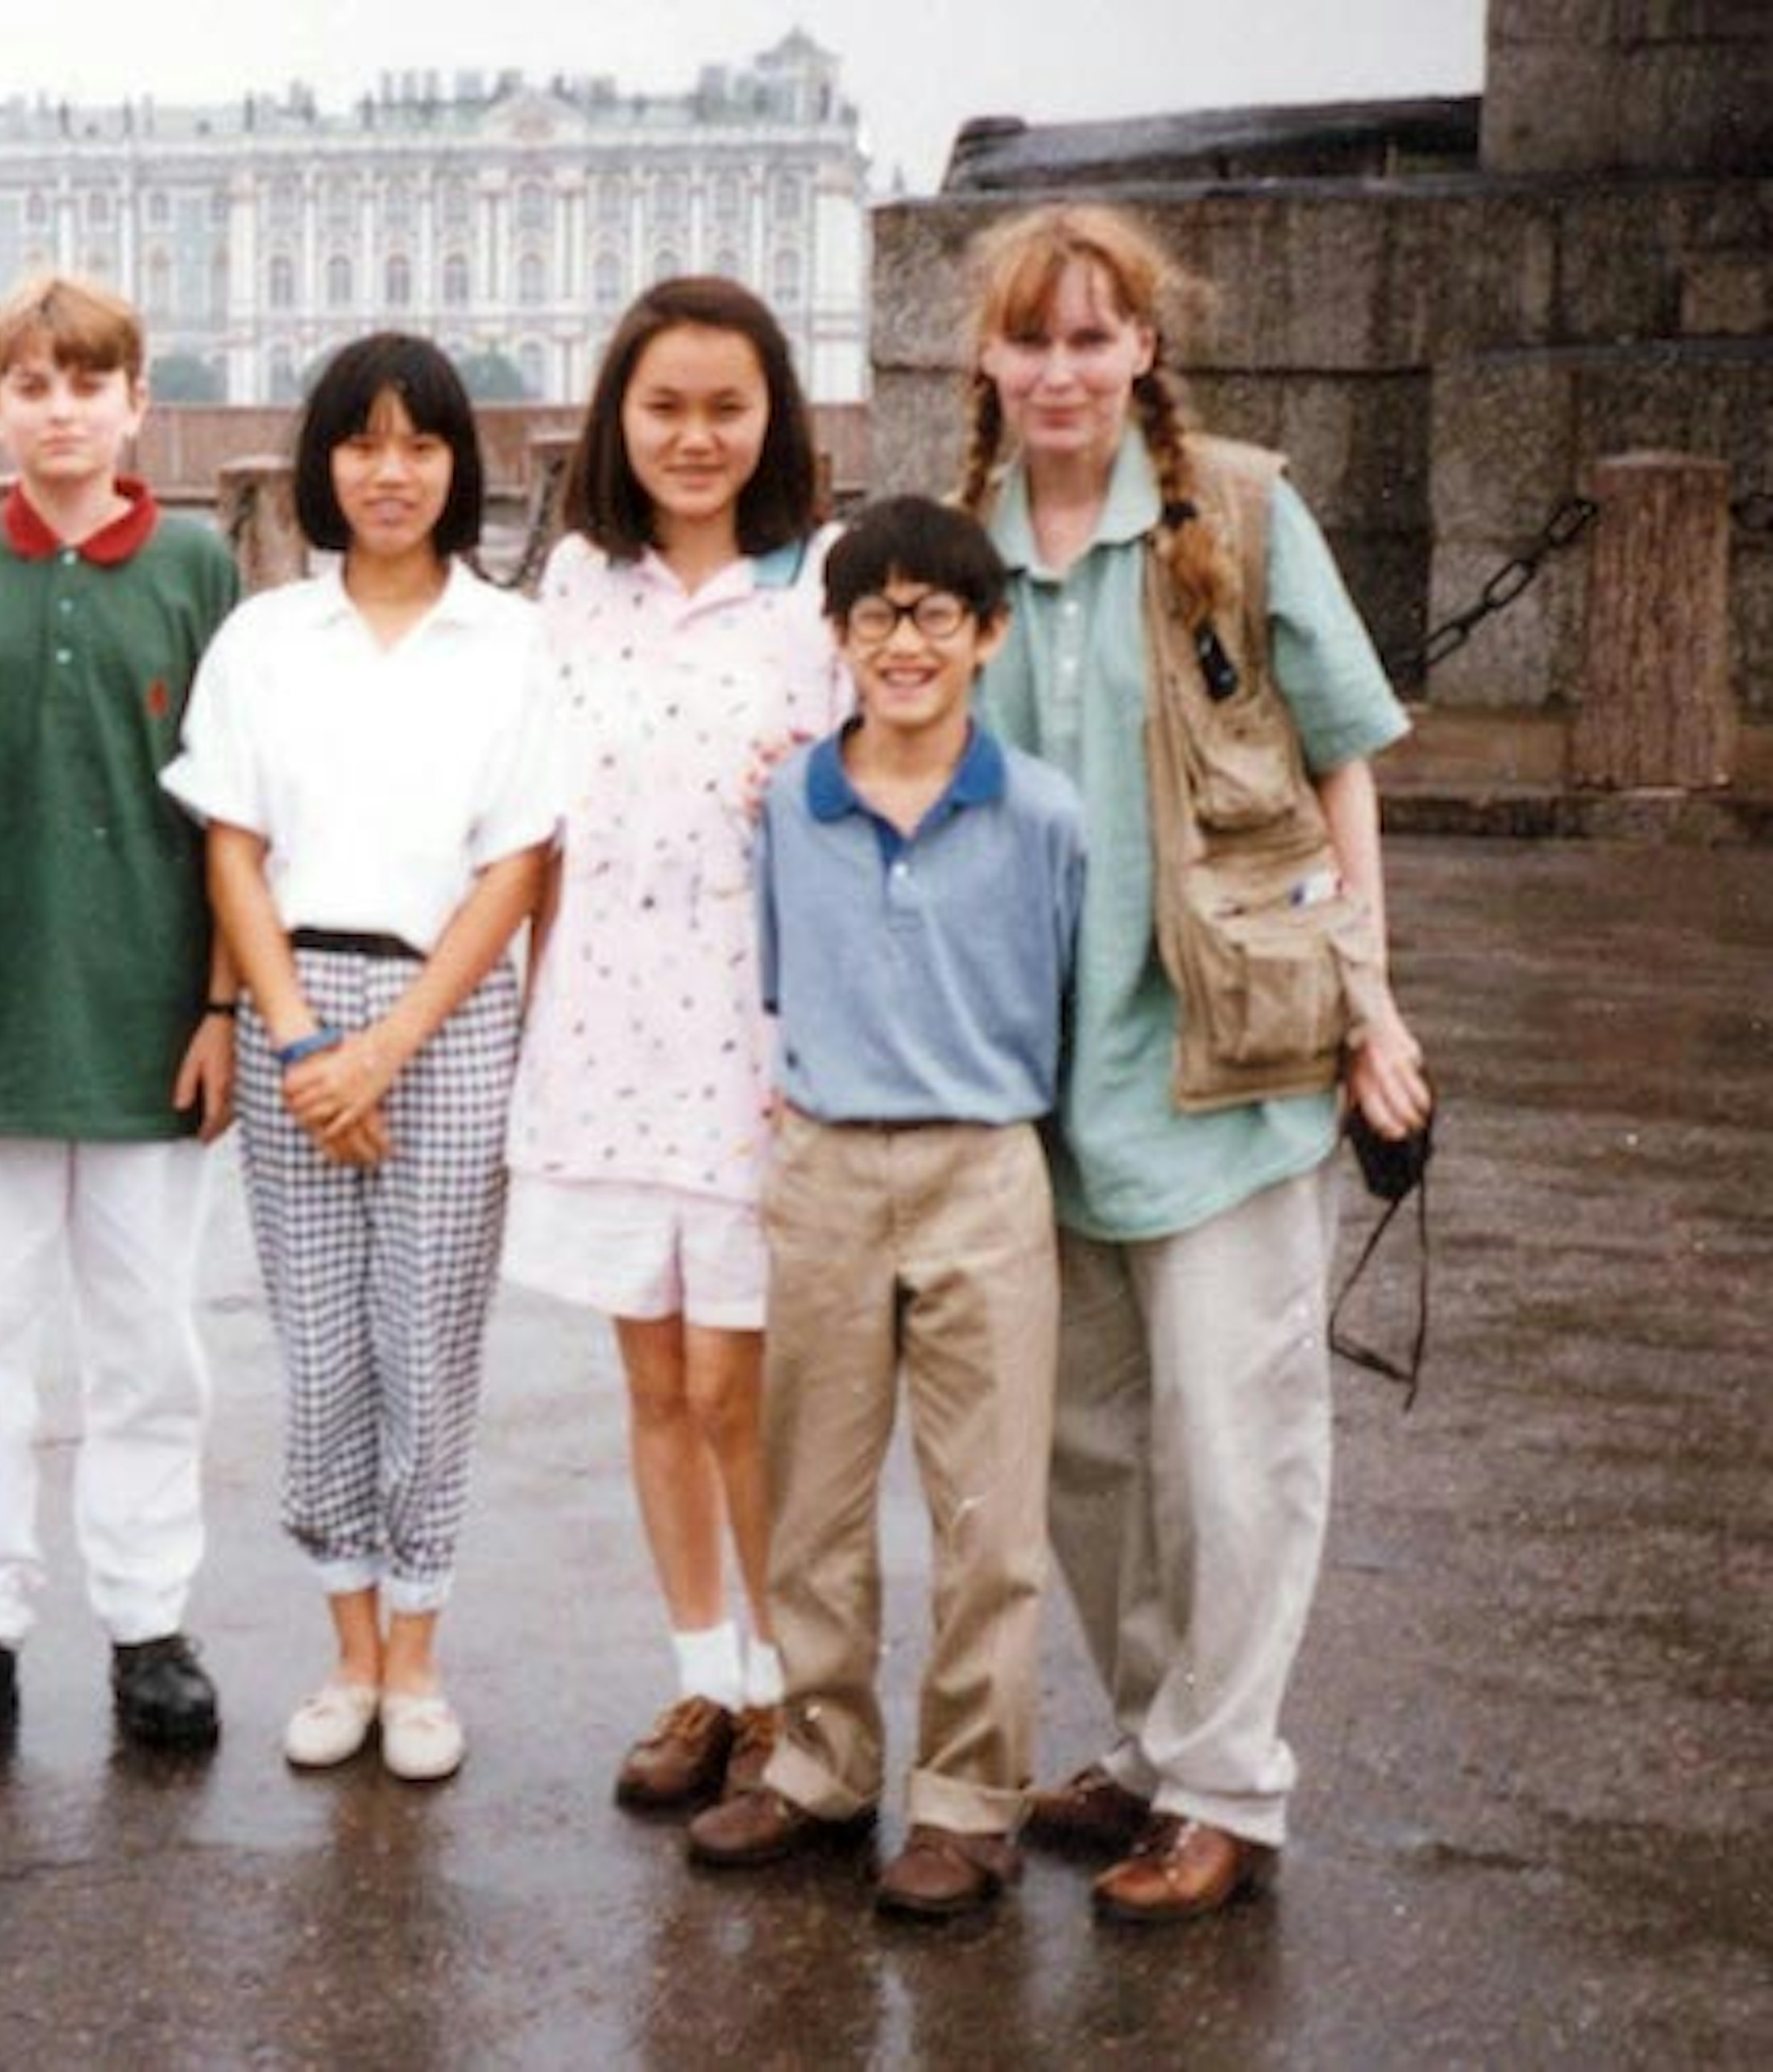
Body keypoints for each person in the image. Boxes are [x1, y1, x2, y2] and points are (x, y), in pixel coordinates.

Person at [952, 202, 1435, 1923]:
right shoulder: (957, 545)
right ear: (989, 359)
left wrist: (1373, 1006)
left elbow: (1346, 758)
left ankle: (1229, 1781)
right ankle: (1161, 1742)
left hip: (1227, 1061)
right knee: (1087, 1452)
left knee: (1238, 1442)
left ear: (1144, 349)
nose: (1065, 369)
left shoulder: (1235, 506)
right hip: (1035, 1074)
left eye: (1098, 337)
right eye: (1035, 338)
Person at [162, 333, 562, 1785]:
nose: (390, 474)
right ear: (324, 462)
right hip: (294, 1018)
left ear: (460, 466)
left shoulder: (509, 639)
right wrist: (293, 1037)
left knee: (428, 1345)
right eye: (362, 444)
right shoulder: (268, 637)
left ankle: (418, 1658)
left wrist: (387, 1045)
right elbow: (232, 848)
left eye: (421, 446)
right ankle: (344, 1652)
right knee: (321, 1348)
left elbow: (517, 864)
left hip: (446, 1015)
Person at [0, 273, 241, 1763]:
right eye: (31, 384)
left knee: (151, 1348)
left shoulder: (198, 567)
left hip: (150, 1023)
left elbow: (235, 818)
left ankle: (150, 1627)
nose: (61, 411)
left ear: (138, 402)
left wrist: (216, 1004)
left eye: (90, 384)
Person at [686, 496, 1084, 1919]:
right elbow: (784, 978)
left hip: (985, 1164)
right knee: (816, 1489)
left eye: (934, 616)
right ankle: (818, 1758)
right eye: (874, 616)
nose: (902, 643)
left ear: (987, 634)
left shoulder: (1042, 814)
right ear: (839, 636)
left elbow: (1067, 990)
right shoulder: (792, 801)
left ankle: (971, 1798)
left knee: (987, 1509)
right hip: (831, 1161)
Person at [502, 276, 847, 1820]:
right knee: (649, 1373)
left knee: (738, 1384)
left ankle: (791, 1690)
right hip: (604, 1018)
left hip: (757, 1035)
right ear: (616, 419)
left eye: (725, 406)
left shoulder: (825, 584)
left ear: (772, 412)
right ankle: (703, 1673)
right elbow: (533, 818)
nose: (695, 437)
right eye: (665, 407)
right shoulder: (577, 581)